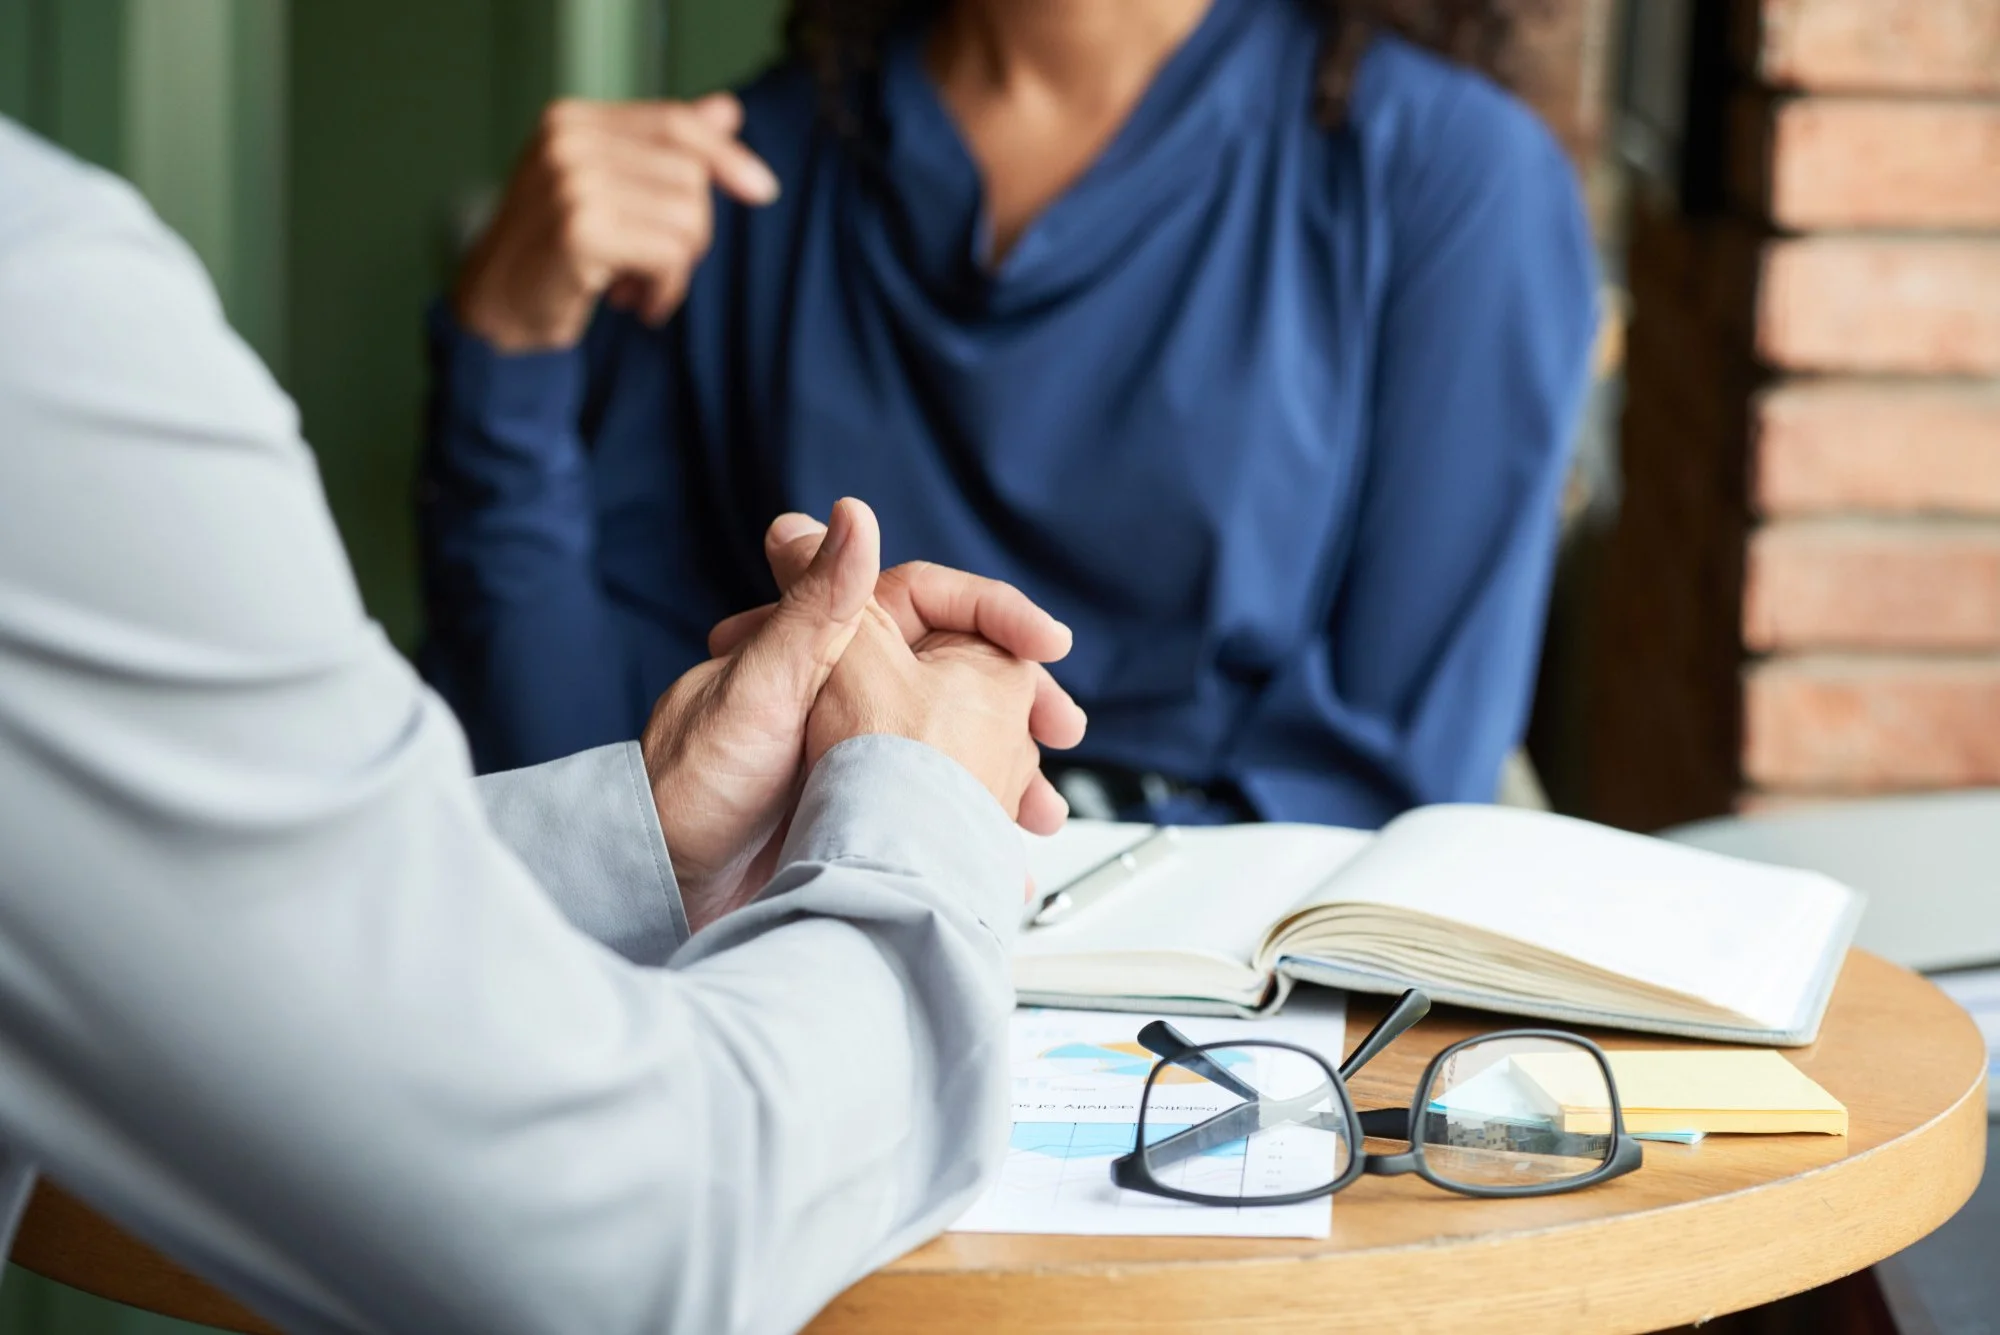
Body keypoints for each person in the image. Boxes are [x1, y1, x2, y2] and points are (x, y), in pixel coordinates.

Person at [0, 114, 1086, 1334]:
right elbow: (625, 1254)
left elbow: (160, 911)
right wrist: (920, 797)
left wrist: (649, 829)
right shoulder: (39, 314)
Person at [424, 0, 1597, 828]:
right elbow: (591, 785)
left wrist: (939, 852)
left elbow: (1386, 794)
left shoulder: (1448, 178)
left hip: (1226, 1037)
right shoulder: (746, 180)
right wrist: (508, 351)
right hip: (806, 975)